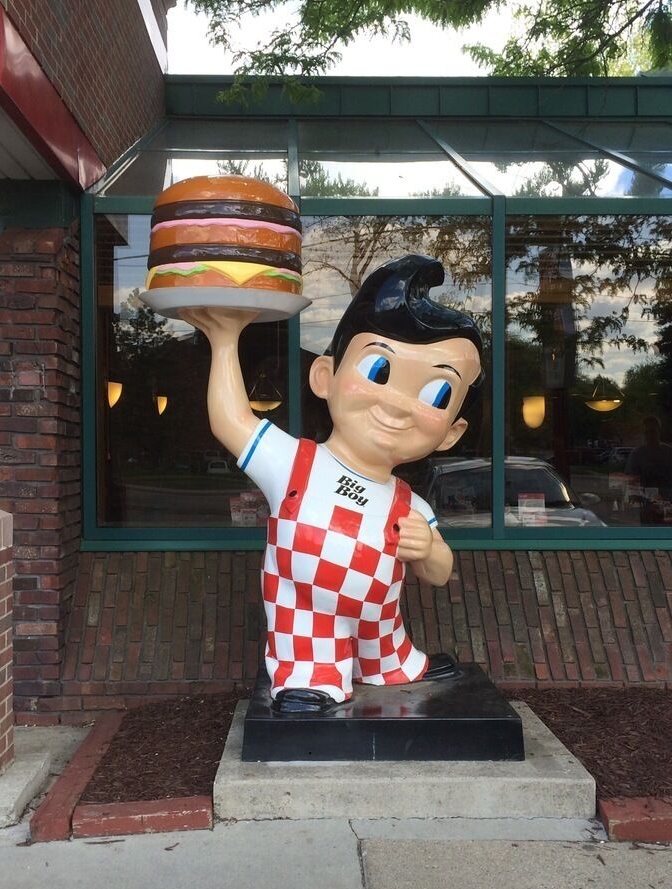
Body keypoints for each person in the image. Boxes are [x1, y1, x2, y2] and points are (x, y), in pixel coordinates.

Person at [181, 255, 484, 713]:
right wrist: (224, 342)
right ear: (325, 377)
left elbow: (440, 573)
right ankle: (311, 675)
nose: (397, 405)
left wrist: (428, 550)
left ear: (451, 433)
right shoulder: (294, 463)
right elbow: (232, 421)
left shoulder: (409, 502)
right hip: (306, 615)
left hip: (381, 622)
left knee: (388, 644)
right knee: (308, 639)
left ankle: (389, 663)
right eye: (379, 371)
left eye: (435, 394)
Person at [624, 415, 672, 525]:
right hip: (649, 505)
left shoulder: (670, 453)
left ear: (659, 431)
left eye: (653, 431)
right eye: (647, 432)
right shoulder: (637, 454)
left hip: (669, 503)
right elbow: (632, 482)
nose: (650, 435)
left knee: (671, 533)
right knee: (650, 533)